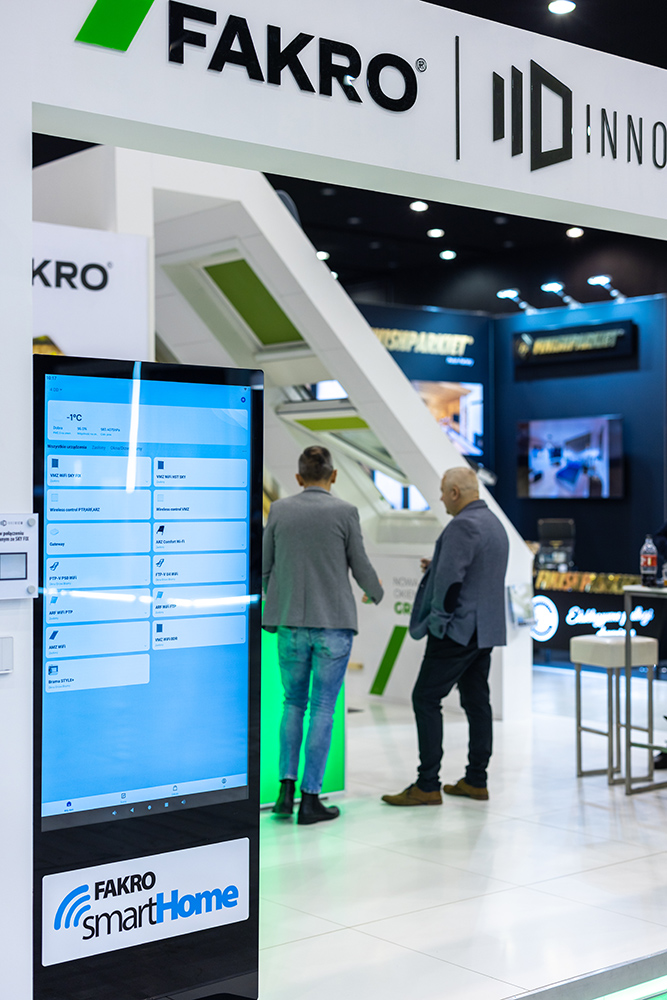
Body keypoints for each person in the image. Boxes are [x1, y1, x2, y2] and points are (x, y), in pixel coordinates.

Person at [263, 445, 383, 825]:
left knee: (292, 704)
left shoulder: (279, 510)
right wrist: (375, 592)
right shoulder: (345, 512)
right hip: (333, 625)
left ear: (298, 478)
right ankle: (311, 799)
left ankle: (285, 792)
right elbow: (360, 564)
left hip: (290, 625)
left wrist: (275, 603)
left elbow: (265, 565)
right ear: (334, 475)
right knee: (323, 708)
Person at [382, 466, 509, 807]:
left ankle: (427, 784)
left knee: (425, 698)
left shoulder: (462, 525)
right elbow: (473, 572)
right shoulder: (494, 523)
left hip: (458, 630)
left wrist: (438, 625)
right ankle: (476, 780)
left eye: (442, 492)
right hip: (484, 632)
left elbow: (452, 586)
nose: (440, 498)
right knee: (477, 702)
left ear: (455, 493)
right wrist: (437, 565)